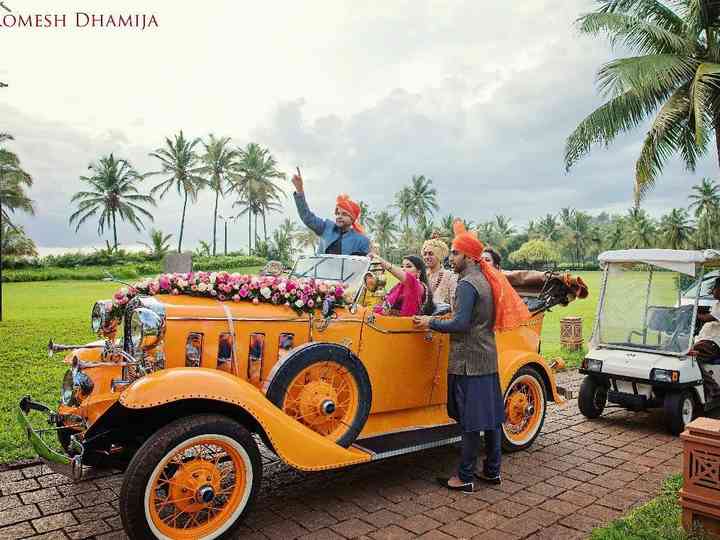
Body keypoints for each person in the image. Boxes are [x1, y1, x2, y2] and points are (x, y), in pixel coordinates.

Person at [413, 220, 530, 493]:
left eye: (454, 253)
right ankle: (492, 471)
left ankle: (464, 477)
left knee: (469, 421)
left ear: (467, 256)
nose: (451, 258)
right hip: (486, 358)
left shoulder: (467, 284)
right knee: (490, 418)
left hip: (467, 362)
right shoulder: (484, 280)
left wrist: (430, 322)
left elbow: (461, 323)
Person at [292, 171, 370, 256]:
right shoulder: (326, 227)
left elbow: (361, 265)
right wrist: (300, 190)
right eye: (338, 213)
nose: (339, 216)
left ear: (352, 219)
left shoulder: (361, 240)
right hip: (322, 269)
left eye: (344, 214)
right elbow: (307, 217)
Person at [423, 237, 457, 307]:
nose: (427, 257)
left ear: (439, 256)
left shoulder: (450, 276)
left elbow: (454, 305)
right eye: (425, 254)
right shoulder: (422, 275)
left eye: (430, 254)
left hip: (442, 316)